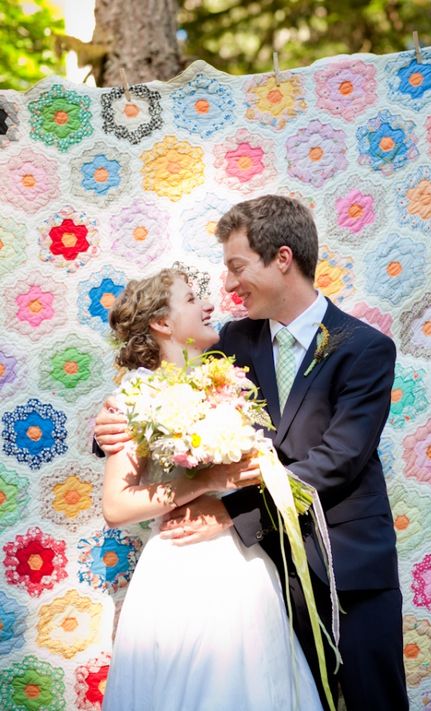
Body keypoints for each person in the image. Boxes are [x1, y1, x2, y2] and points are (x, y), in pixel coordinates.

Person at [95, 195, 409, 711]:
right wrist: (109, 426)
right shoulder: (230, 340)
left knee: (372, 701)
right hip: (263, 580)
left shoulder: (364, 348)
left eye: (237, 267)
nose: (227, 286)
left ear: (282, 259)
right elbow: (165, 392)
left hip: (346, 568)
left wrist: (229, 511)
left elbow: (339, 459)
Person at [99, 267, 323, 711]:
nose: (208, 306)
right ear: (162, 323)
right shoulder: (132, 397)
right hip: (180, 562)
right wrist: (206, 481)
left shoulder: (231, 383)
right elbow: (116, 506)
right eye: (190, 299)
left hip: (242, 558)